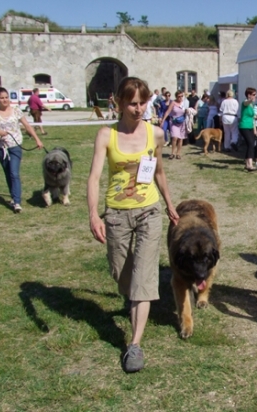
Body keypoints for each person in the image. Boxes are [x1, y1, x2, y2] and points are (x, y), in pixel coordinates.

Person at [87, 76, 179, 373]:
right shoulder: (106, 135)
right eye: (132, 103)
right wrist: (93, 214)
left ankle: (135, 344)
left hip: (148, 211)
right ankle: (133, 298)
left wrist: (169, 203)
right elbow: (94, 177)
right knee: (121, 272)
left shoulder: (156, 134)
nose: (138, 109)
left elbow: (159, 172)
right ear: (119, 102)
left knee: (144, 276)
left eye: (142, 103)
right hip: (116, 213)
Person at [0, 87, 44, 213]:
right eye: (2, 98)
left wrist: (37, 139)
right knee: (8, 173)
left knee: (14, 173)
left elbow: (27, 125)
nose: (5, 100)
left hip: (15, 146)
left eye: (6, 97)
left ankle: (17, 202)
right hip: (1, 148)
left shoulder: (16, 110)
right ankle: (13, 196)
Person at [162, 90, 188, 159]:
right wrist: (163, 120)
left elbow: (186, 111)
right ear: (176, 97)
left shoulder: (184, 103)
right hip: (174, 122)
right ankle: (172, 153)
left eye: (181, 96)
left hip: (182, 122)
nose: (180, 97)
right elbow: (167, 112)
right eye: (179, 96)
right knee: (174, 137)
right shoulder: (173, 103)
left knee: (180, 138)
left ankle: (178, 153)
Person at [238, 87, 257, 171]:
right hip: (244, 126)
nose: (255, 96)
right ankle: (250, 164)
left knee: (251, 144)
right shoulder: (245, 102)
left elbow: (252, 117)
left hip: (250, 126)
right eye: (254, 94)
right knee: (250, 144)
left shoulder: (252, 105)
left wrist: (254, 128)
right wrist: (250, 100)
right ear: (249, 95)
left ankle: (247, 164)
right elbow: (246, 103)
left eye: (255, 94)